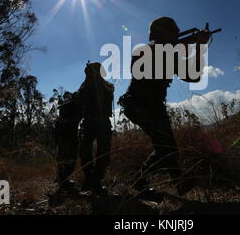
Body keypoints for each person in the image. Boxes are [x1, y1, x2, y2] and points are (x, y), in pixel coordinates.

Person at [118, 17, 211, 197]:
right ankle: (140, 181)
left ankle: (178, 183)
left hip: (153, 105)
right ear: (160, 33)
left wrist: (199, 47)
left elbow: (193, 76)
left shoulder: (170, 52)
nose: (176, 34)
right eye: (172, 31)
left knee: (166, 146)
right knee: (166, 146)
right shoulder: (144, 51)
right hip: (138, 104)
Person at [54, 62, 114, 195]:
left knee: (98, 152)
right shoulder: (103, 86)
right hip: (92, 123)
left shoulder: (101, 87)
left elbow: (79, 101)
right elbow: (78, 102)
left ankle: (93, 181)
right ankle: (92, 180)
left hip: (97, 123)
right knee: (88, 152)